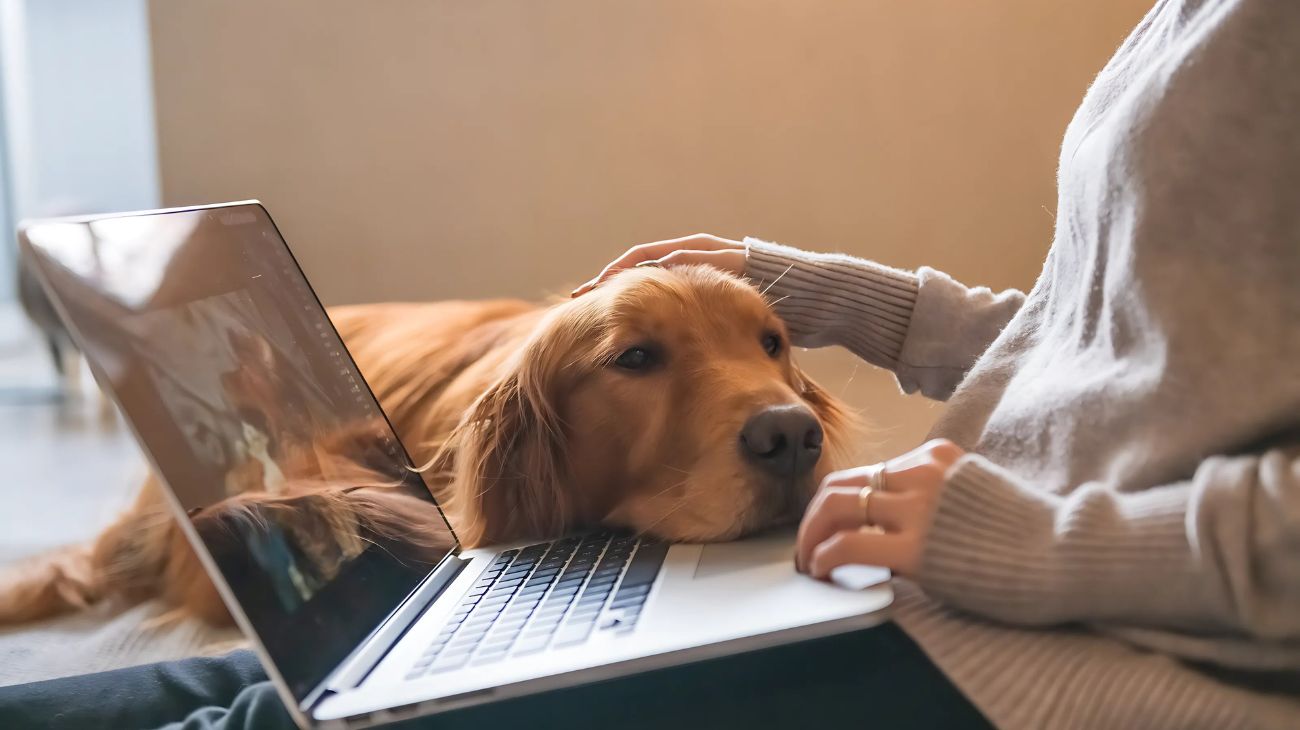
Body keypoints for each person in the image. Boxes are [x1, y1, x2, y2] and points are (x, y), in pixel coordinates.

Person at [2, 1, 1296, 728]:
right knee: (303, 674)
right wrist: (841, 299)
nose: (780, 409)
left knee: (288, 724)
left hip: (1109, 646)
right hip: (981, 567)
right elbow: (1130, 333)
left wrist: (1038, 545)